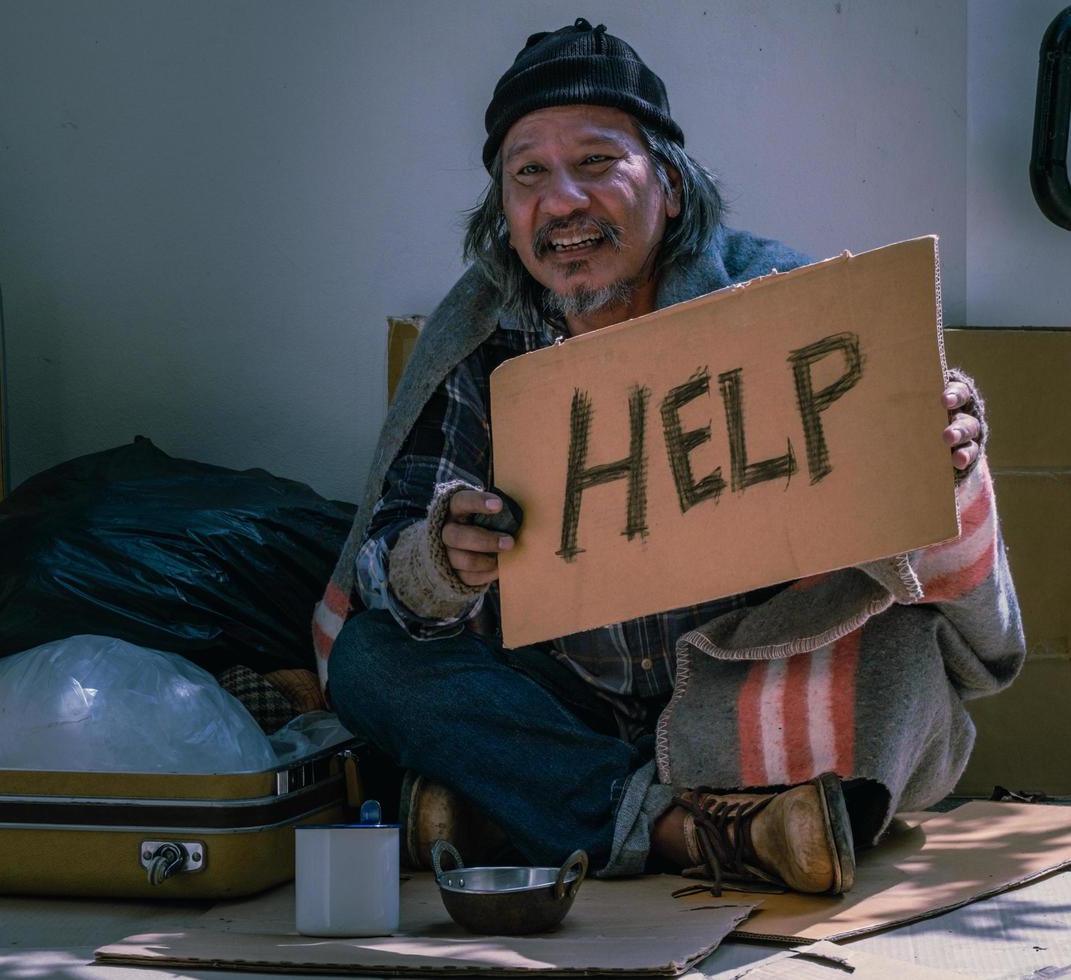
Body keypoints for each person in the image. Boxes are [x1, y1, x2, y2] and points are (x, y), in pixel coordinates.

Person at [313, 18, 1024, 896]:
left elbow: (935, 589)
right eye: (527, 172)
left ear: (672, 188)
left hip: (740, 684)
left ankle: (517, 812)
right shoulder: (482, 344)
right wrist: (440, 562)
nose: (561, 200)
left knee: (901, 666)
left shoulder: (778, 307)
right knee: (373, 662)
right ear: (503, 210)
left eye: (598, 162)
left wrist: (931, 462)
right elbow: (388, 560)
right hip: (565, 700)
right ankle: (697, 831)